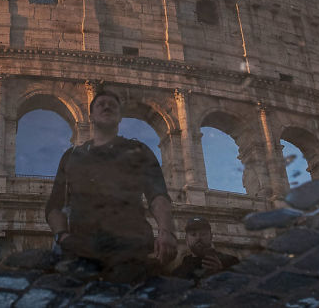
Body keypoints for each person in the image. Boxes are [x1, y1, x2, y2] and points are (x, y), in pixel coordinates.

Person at [45, 89, 177, 281]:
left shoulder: (138, 150)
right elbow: (54, 205)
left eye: (113, 105)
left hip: (131, 248)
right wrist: (62, 236)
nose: (107, 106)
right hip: (81, 250)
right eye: (101, 104)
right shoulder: (71, 156)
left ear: (120, 116)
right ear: (91, 115)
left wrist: (167, 232)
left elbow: (157, 195)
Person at [171, 217, 239, 279]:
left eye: (203, 234)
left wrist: (220, 272)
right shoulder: (178, 273)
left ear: (211, 237)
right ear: (186, 239)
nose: (198, 238)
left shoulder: (231, 262)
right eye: (193, 234)